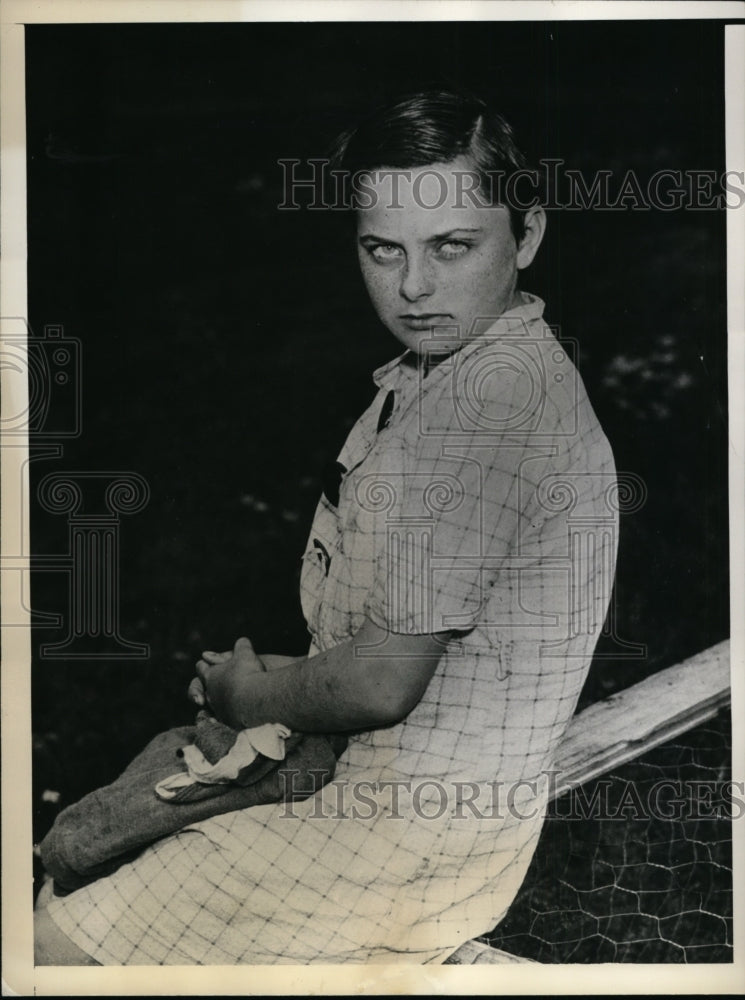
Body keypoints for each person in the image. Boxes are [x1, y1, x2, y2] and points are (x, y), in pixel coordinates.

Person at [34, 89, 617, 965]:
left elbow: (381, 686)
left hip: (395, 844)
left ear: (527, 236)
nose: (412, 286)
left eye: (451, 247)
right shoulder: (457, 371)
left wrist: (250, 696)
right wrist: (286, 681)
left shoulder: (487, 410)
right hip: (395, 797)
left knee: (45, 949)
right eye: (382, 250)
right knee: (87, 848)